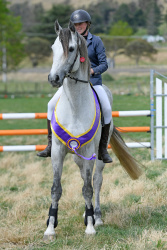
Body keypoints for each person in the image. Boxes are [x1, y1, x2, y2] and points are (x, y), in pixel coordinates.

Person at [37, 9, 112, 163]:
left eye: (81, 23)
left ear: (88, 24)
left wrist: (93, 70)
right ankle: (51, 145)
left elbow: (104, 64)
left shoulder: (96, 41)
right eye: (76, 24)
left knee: (107, 109)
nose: (78, 26)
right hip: (70, 85)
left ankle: (102, 149)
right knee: (50, 105)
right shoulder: (68, 40)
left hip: (93, 83)